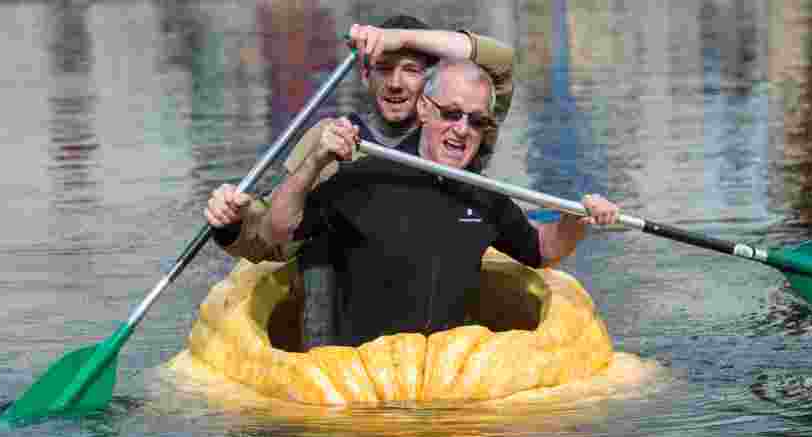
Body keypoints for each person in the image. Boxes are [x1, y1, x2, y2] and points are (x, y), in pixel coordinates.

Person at [205, 59, 619, 347]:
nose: (462, 129)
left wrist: (577, 219)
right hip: (366, 383)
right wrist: (315, 162)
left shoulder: (486, 196)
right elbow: (279, 229)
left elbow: (543, 248)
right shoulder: (362, 179)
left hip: (445, 384)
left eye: (476, 120)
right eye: (452, 113)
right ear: (423, 108)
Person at [205, 16, 516, 261]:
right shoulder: (331, 137)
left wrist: (400, 38)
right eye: (384, 68)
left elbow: (500, 63)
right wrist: (232, 222)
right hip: (347, 310)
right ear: (365, 75)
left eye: (411, 70)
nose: (396, 83)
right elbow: (270, 242)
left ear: (432, 78)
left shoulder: (460, 131)